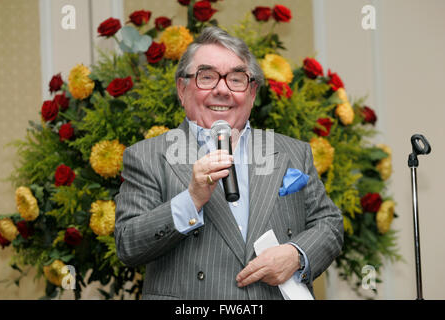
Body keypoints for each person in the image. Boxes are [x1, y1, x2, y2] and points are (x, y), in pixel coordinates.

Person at [114, 27, 343, 300]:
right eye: (207, 77)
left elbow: (329, 223)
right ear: (182, 89)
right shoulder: (148, 156)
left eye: (236, 79)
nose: (222, 89)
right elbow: (128, 244)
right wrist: (191, 200)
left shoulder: (293, 152)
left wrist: (296, 254)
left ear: (252, 92)